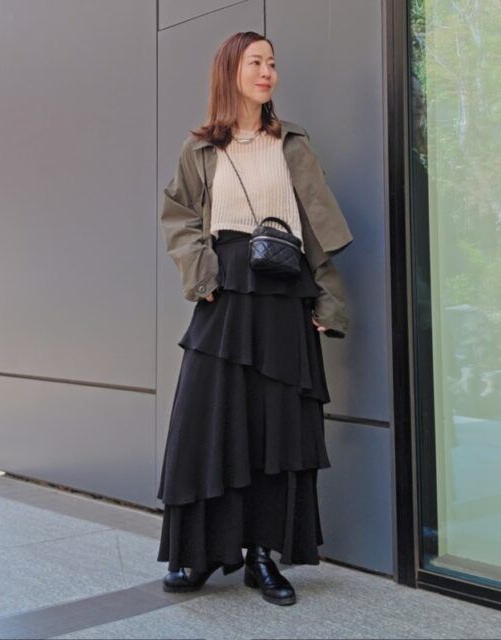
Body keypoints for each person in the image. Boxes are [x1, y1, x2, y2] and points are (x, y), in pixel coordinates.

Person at [157, 31, 353, 607]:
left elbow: (318, 229)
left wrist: (329, 300)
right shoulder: (201, 148)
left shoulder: (292, 142)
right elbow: (178, 217)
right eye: (255, 62)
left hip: (285, 291)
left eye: (272, 63)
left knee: (278, 429)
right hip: (224, 291)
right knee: (208, 422)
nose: (267, 72)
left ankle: (263, 556)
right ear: (230, 71)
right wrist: (202, 275)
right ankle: (200, 552)